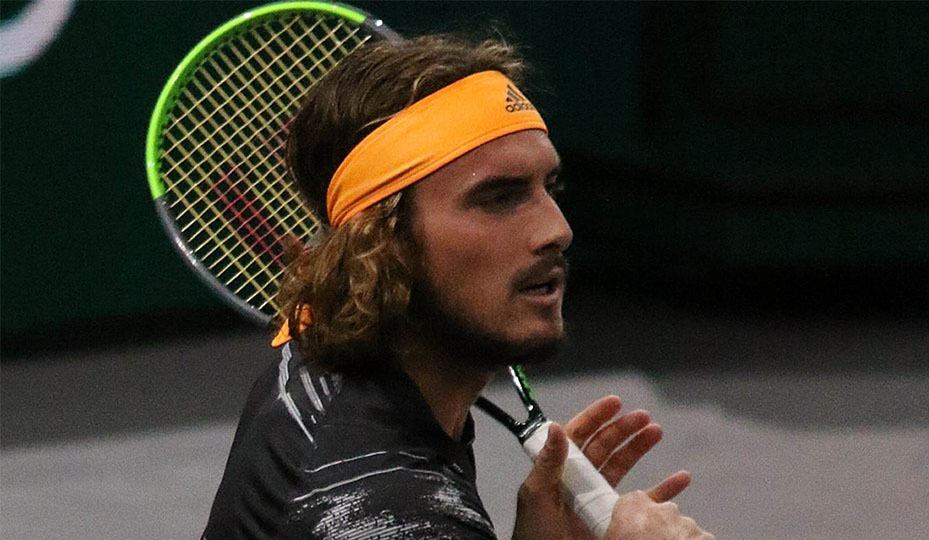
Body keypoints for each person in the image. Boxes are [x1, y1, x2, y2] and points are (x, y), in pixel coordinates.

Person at [203, 35, 714, 540]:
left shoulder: (320, 369)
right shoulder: (389, 507)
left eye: (550, 188)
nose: (557, 229)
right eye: (499, 198)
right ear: (381, 242)